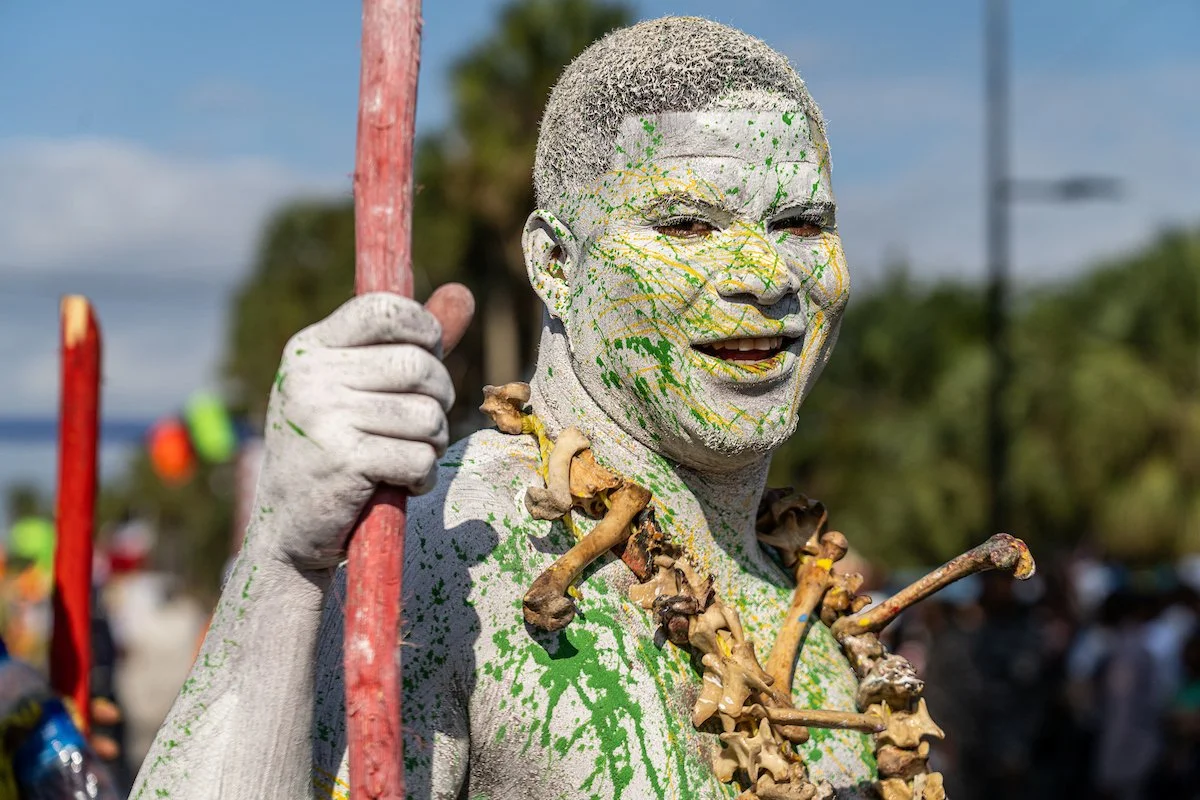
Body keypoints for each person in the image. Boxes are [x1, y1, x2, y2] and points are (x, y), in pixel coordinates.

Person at [134, 17, 871, 799]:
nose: (766, 275)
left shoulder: (813, 605)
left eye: (802, 225)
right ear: (555, 264)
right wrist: (282, 564)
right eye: (686, 225)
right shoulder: (456, 553)